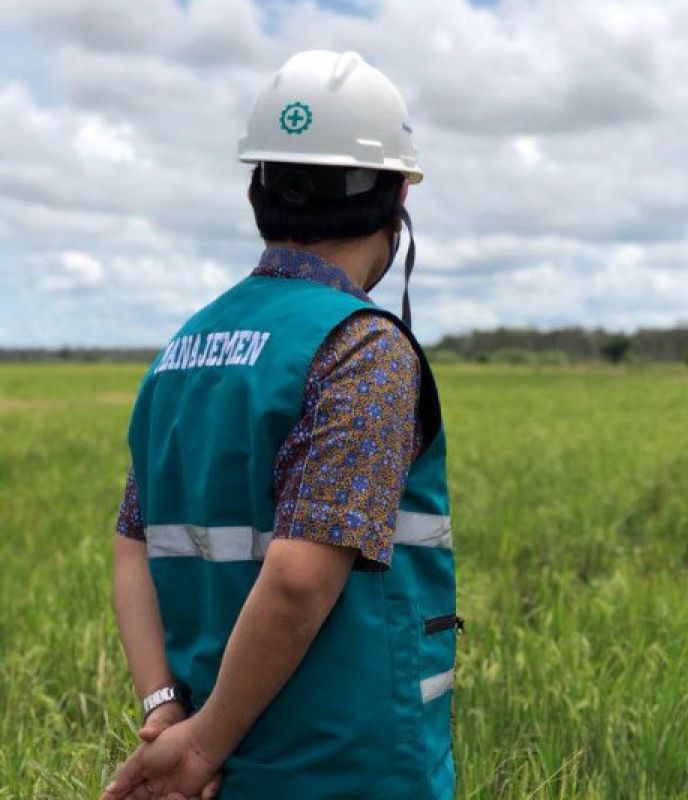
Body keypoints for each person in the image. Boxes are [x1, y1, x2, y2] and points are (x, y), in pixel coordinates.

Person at [102, 50, 457, 800]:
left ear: (259, 188)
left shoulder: (185, 347)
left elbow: (132, 542)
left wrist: (168, 711)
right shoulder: (362, 348)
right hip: (344, 769)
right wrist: (202, 746)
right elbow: (298, 581)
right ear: (395, 199)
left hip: (215, 760)